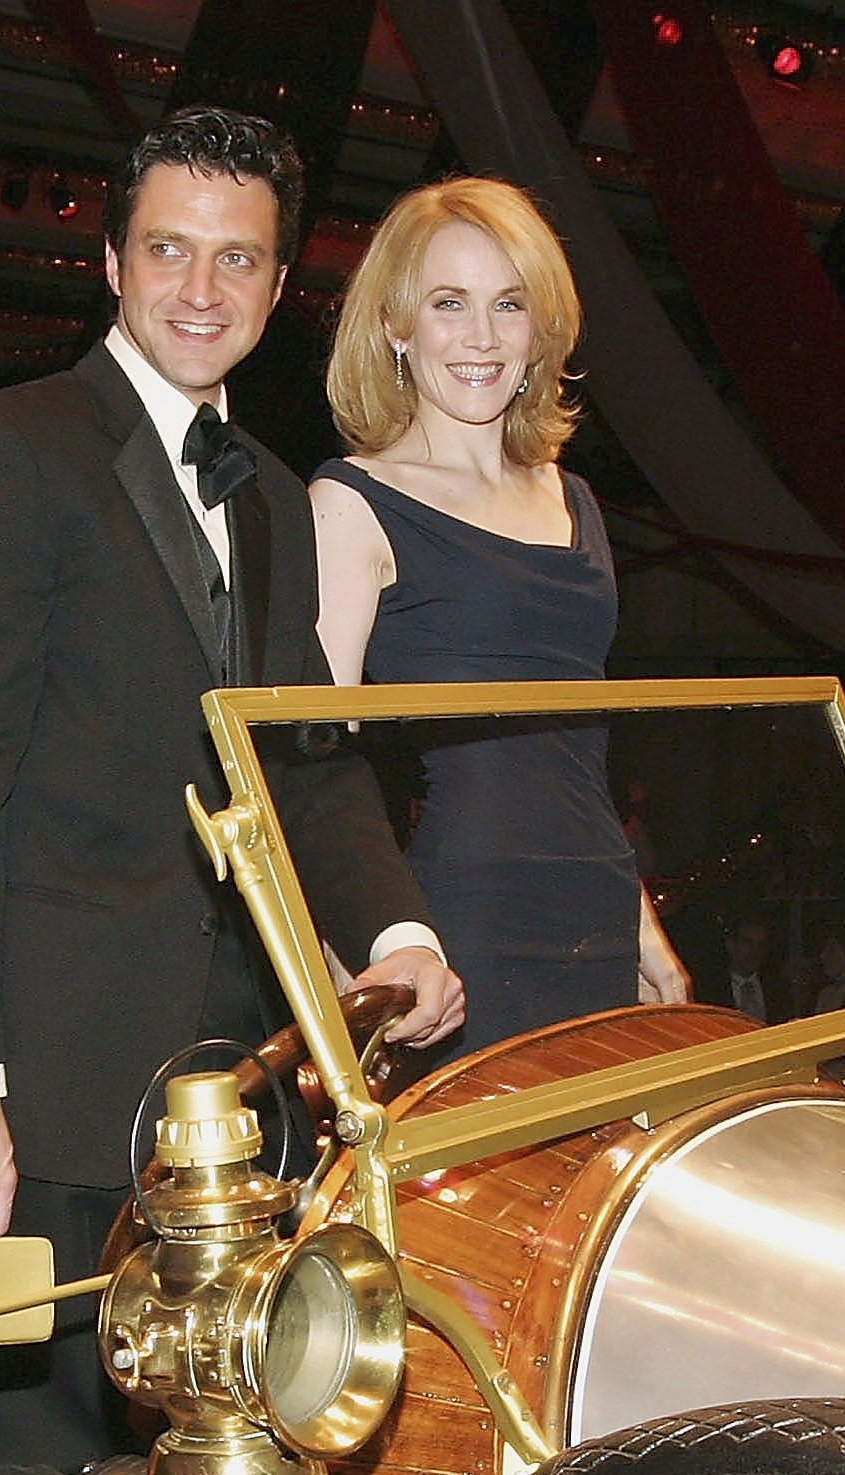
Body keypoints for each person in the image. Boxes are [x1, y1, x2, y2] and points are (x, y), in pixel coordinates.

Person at [0, 107, 462, 1475]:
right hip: (29, 1083)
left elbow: (308, 764)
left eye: (239, 261)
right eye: (169, 251)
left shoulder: (272, 492)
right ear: (112, 262)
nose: (202, 289)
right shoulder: (1, 448)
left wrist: (396, 930)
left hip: (226, 1097)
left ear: (279, 291)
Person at [309, 175, 684, 1050]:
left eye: (508, 305)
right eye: (449, 303)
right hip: (464, 930)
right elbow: (309, 770)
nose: (481, 337)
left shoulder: (576, 501)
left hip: (597, 908)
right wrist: (347, 979)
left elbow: (572, 759)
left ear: (539, 329)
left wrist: (639, 923)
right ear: (398, 327)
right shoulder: (352, 502)